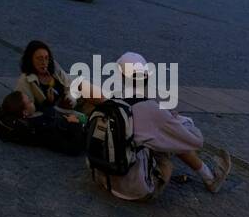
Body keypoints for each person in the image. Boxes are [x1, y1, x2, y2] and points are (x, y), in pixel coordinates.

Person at [91, 52, 230, 200]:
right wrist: (176, 118)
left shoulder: (111, 101)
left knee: (155, 135)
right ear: (146, 78)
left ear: (121, 76)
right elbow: (196, 141)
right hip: (135, 189)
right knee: (173, 136)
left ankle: (209, 177)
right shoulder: (151, 109)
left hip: (104, 178)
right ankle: (210, 178)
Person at [14, 40, 85, 122]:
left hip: (67, 100)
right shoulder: (25, 81)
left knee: (86, 86)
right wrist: (49, 102)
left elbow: (67, 82)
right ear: (30, 60)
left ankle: (103, 105)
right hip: (55, 111)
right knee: (84, 120)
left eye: (46, 58)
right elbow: (29, 110)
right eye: (39, 59)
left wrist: (70, 97)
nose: (44, 62)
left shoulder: (52, 66)